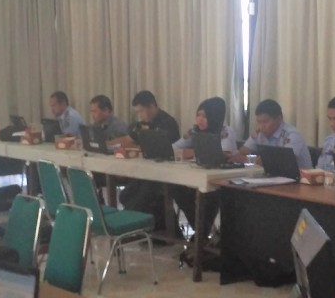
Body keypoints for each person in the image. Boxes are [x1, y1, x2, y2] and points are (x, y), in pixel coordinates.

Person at [172, 97, 236, 250]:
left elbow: (224, 153)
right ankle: (202, 231)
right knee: (177, 188)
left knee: (208, 195)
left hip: (223, 180)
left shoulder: (225, 131)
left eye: (205, 116)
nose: (200, 119)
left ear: (214, 117)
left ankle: (201, 233)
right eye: (198, 115)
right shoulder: (195, 131)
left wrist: (192, 152)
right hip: (197, 177)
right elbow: (173, 149)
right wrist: (185, 139)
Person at [116, 91, 181, 223]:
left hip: (164, 174)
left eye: (141, 111)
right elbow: (128, 139)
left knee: (136, 201)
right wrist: (107, 144)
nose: (140, 115)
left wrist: (135, 147)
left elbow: (161, 148)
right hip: (149, 171)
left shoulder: (167, 123)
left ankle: (132, 225)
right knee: (125, 196)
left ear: (152, 106)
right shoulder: (144, 123)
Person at [235, 99, 312, 170]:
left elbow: (282, 162)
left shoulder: (292, 135)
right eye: (259, 122)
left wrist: (250, 160)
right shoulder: (260, 133)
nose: (261, 126)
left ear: (279, 118)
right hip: (272, 176)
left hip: (298, 178)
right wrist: (255, 158)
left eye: (265, 122)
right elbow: (242, 152)